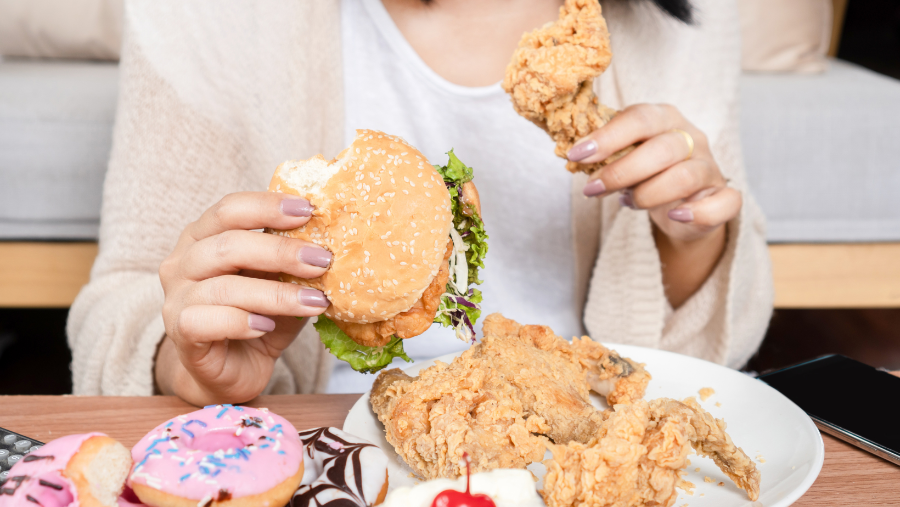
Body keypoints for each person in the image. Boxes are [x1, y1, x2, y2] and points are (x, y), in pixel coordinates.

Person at [67, 0, 773, 406]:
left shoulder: (678, 20)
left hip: (575, 425)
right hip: (320, 434)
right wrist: (188, 361)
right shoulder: (207, 15)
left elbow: (708, 349)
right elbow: (120, 306)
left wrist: (688, 235)